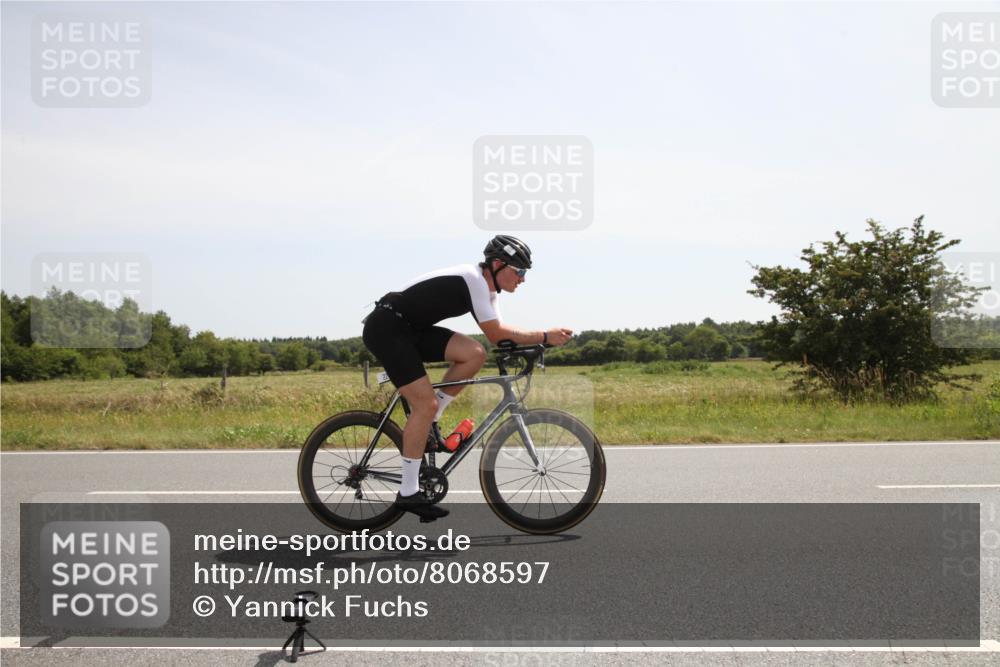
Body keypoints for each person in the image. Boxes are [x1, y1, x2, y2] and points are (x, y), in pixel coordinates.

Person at [361, 235, 573, 521]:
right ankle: (408, 492)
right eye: (519, 271)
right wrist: (545, 336)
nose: (522, 279)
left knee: (473, 353)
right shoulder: (473, 279)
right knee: (424, 405)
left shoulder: (488, 292)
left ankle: (431, 421)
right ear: (498, 265)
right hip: (388, 328)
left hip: (410, 329)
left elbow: (498, 338)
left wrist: (536, 346)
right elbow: (497, 333)